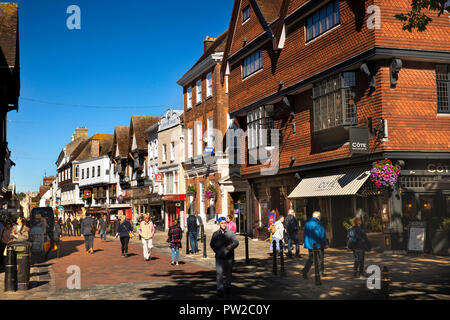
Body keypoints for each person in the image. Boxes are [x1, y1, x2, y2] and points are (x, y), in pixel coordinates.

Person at [210, 217, 239, 298]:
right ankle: (220, 289)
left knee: (228, 273)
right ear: (219, 224)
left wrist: (231, 246)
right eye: (222, 223)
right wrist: (216, 251)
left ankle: (228, 286)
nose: (223, 225)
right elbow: (212, 244)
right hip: (219, 257)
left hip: (229, 257)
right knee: (219, 274)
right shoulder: (216, 234)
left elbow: (236, 242)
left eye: (225, 223)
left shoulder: (230, 233)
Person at [302, 211, 328, 279]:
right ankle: (321, 272)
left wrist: (305, 242)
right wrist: (325, 243)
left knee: (311, 259)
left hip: (310, 244)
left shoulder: (307, 223)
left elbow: (305, 233)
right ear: (318, 217)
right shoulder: (318, 223)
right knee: (320, 258)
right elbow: (322, 234)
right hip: (318, 244)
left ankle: (305, 271)